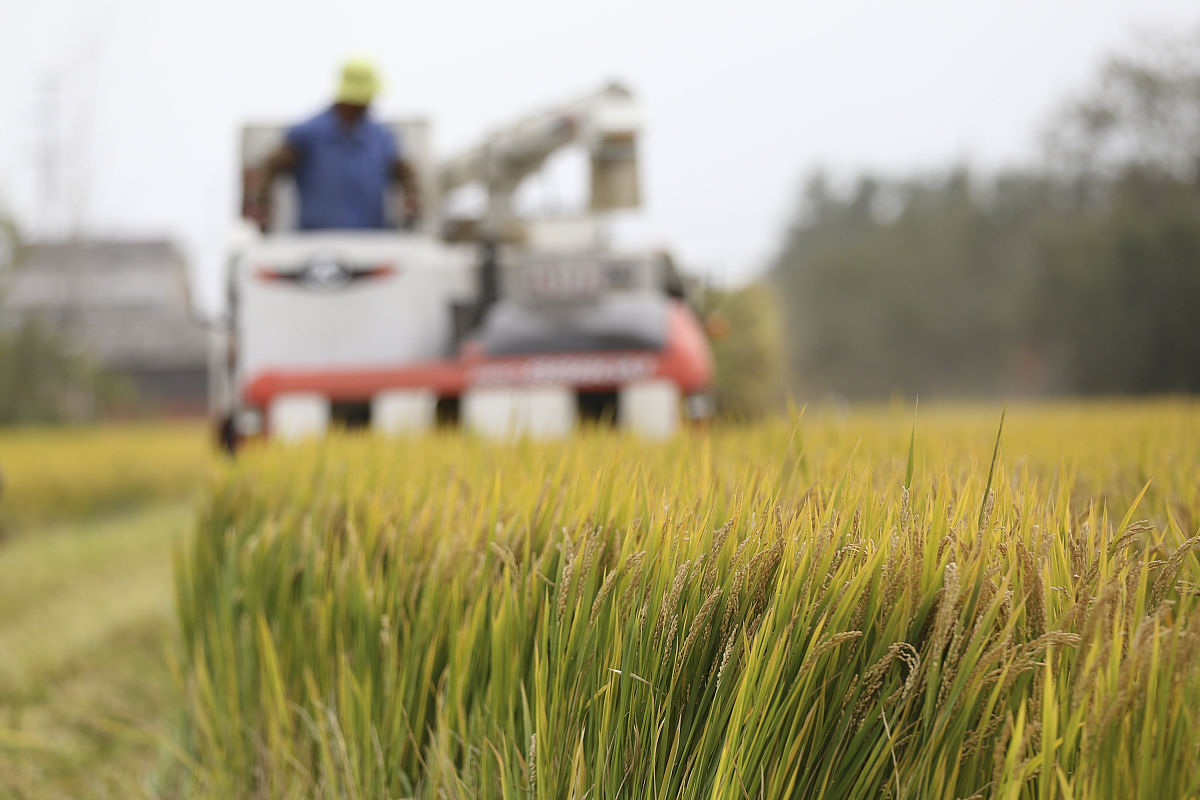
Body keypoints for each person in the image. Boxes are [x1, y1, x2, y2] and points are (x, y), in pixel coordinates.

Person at [252, 59, 421, 231]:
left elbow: (405, 173)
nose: (365, 105)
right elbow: (271, 167)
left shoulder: (382, 138)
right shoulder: (307, 135)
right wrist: (263, 205)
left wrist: (412, 200)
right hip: (315, 245)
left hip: (372, 243)